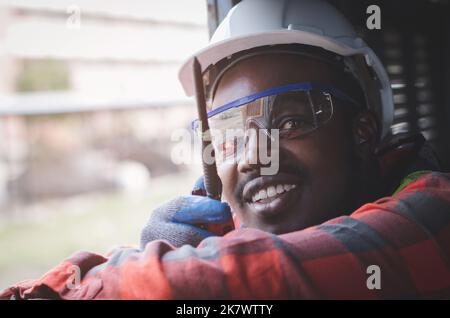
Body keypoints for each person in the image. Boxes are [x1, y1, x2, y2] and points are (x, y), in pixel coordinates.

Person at [2, 0, 449, 300]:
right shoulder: (234, 232)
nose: (254, 155)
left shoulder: (432, 213)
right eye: (230, 137)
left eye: (291, 121)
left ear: (363, 131)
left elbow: (241, 277)